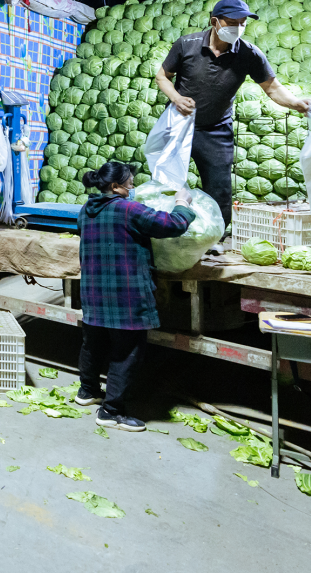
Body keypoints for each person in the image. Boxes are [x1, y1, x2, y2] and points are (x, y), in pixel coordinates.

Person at [155, 0, 311, 249]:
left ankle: (215, 238)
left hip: (216, 129)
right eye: (232, 22)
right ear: (214, 22)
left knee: (219, 187)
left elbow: (272, 87)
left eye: (242, 23)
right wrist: (175, 97)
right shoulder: (187, 44)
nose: (238, 28)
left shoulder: (249, 53)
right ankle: (163, 236)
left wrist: (296, 103)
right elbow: (163, 76)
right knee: (167, 182)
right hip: (178, 124)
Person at [77, 161, 196, 432]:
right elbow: (172, 225)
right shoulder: (130, 209)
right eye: (130, 182)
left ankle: (87, 392)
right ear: (116, 186)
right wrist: (182, 202)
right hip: (125, 294)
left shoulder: (86, 210)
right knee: (127, 351)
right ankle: (111, 411)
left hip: (94, 291)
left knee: (93, 343)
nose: (133, 186)